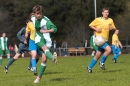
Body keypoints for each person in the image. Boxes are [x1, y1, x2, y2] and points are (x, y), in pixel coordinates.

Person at [30, 5, 58, 83]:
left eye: (40, 13)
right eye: (37, 13)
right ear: (34, 13)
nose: (38, 15)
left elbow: (55, 29)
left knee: (44, 60)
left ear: (42, 13)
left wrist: (45, 31)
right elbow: (31, 18)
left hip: (47, 39)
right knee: (45, 48)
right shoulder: (33, 19)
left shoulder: (46, 21)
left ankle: (38, 78)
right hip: (38, 38)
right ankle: (53, 58)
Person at [87, 7, 116, 73]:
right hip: (99, 40)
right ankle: (102, 62)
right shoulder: (98, 20)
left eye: (107, 12)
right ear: (102, 13)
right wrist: (96, 29)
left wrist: (112, 28)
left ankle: (89, 67)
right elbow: (90, 25)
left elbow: (114, 28)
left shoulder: (110, 20)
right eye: (105, 12)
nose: (106, 13)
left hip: (105, 40)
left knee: (98, 55)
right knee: (109, 49)